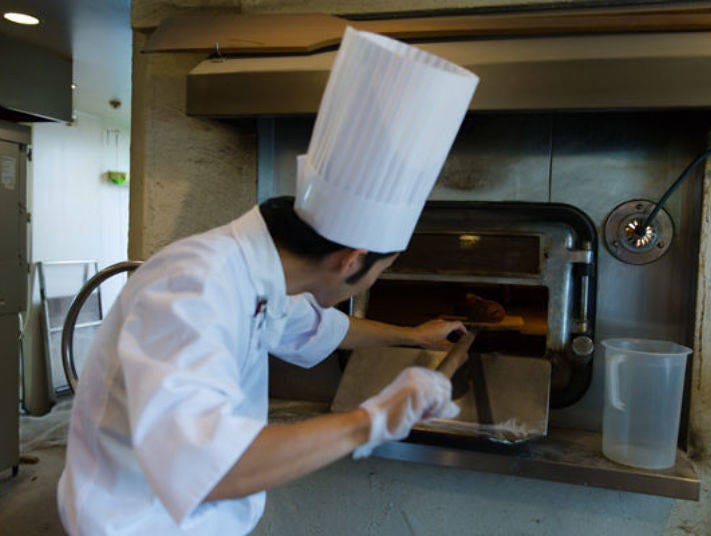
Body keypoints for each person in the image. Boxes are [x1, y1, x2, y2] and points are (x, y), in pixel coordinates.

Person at [58, 27, 479, 535]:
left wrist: (414, 337)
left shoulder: (262, 275)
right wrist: (374, 419)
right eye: (376, 275)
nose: (358, 295)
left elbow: (322, 327)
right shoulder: (196, 286)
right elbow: (208, 467)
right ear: (350, 260)